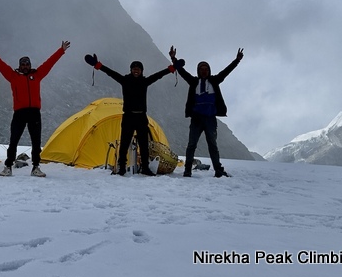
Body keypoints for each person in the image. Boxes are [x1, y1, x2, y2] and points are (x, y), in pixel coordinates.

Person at [0, 38, 70, 177]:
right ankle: (8, 167)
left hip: (34, 112)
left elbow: (49, 63)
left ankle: (35, 167)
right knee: (14, 140)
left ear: (30, 65)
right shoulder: (13, 76)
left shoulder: (37, 75)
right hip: (19, 113)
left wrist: (61, 50)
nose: (25, 66)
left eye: (27, 64)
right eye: (23, 64)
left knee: (36, 141)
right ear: (19, 65)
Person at [85, 54, 175, 176]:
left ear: (141, 71)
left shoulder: (144, 81)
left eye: (138, 69)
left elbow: (158, 76)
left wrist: (171, 69)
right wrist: (98, 66)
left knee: (144, 144)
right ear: (131, 70)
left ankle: (145, 168)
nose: (136, 70)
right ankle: (122, 167)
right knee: (124, 143)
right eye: (134, 68)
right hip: (128, 116)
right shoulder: (125, 80)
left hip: (141, 116)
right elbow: (111, 73)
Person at [169, 46, 243, 178]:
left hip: (210, 118)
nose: (204, 71)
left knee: (212, 146)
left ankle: (218, 171)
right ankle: (187, 171)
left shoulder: (215, 81)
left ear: (209, 71)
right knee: (191, 145)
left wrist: (236, 60)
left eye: (206, 69)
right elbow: (182, 71)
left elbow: (226, 71)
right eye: (201, 69)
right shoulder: (194, 82)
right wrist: (173, 59)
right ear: (198, 71)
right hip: (197, 119)